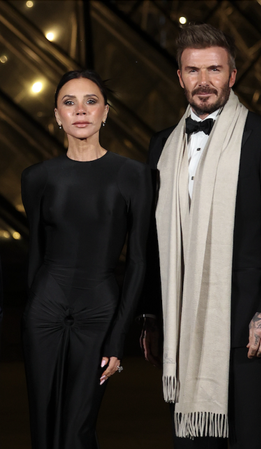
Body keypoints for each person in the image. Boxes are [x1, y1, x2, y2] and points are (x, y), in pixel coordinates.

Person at [141, 24, 261, 449]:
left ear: (232, 76)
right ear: (180, 77)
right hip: (182, 323)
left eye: (214, 69)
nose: (203, 81)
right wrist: (152, 317)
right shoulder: (161, 145)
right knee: (190, 441)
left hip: (247, 323)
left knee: (250, 439)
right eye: (193, 70)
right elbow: (153, 240)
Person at [21, 69, 152, 449]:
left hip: (99, 312)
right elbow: (36, 255)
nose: (81, 110)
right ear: (57, 115)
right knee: (43, 428)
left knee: (78, 429)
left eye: (90, 101)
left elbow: (139, 261)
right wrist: (30, 312)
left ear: (106, 113)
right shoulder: (37, 177)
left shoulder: (135, 176)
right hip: (43, 311)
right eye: (69, 102)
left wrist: (117, 336)